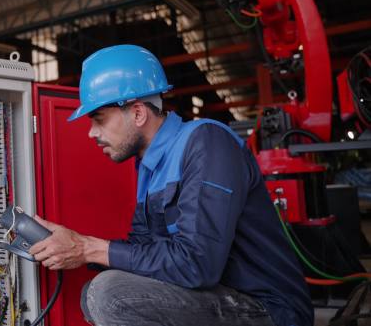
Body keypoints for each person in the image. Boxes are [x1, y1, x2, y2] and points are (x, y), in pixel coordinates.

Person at [29, 45, 313, 326]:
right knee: (91, 293)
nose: (92, 132)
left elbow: (198, 264)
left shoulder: (207, 143)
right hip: (217, 297)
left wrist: (87, 248)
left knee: (110, 294)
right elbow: (143, 248)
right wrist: (72, 246)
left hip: (269, 309)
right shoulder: (148, 167)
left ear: (138, 113)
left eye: (99, 119)